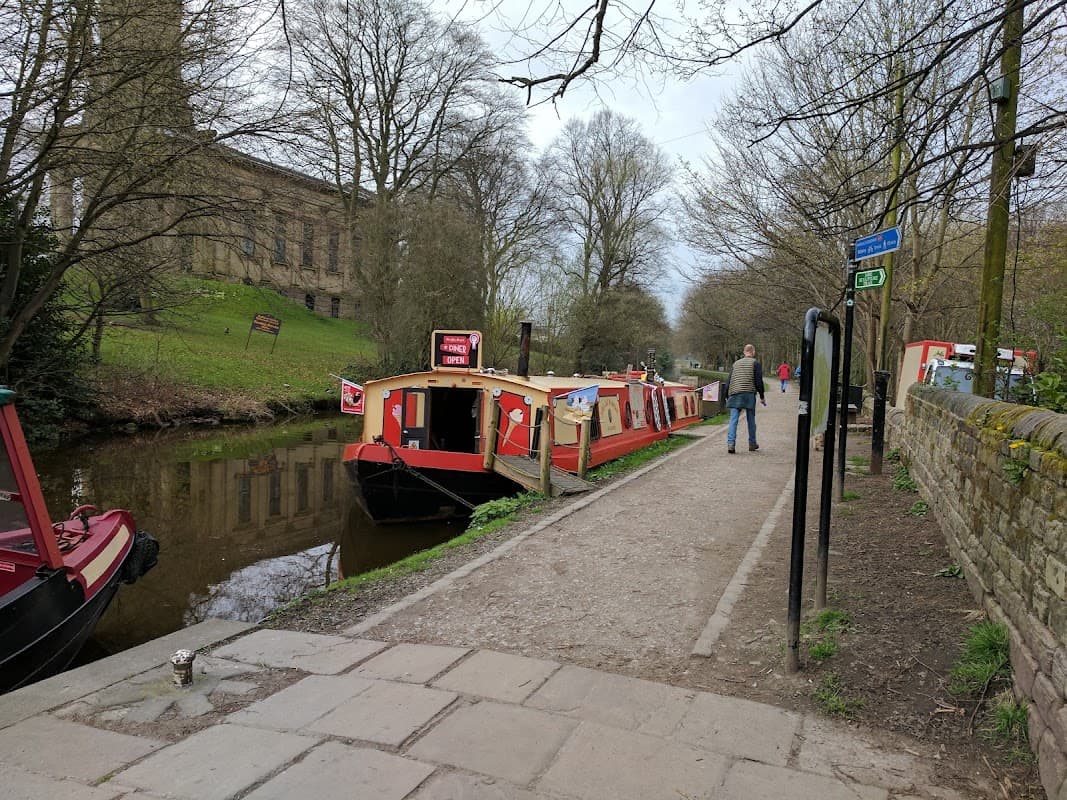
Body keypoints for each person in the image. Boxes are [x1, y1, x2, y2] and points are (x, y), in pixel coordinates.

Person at [725, 344, 766, 454]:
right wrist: (762, 396)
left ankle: (731, 444)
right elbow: (758, 381)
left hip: (735, 393)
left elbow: (728, 381)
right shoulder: (755, 363)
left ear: (744, 352)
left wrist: (726, 396)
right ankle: (752, 443)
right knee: (751, 419)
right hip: (749, 394)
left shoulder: (735, 364)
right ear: (753, 352)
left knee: (733, 420)